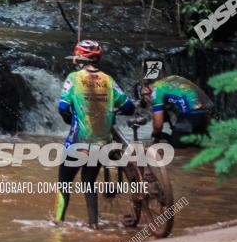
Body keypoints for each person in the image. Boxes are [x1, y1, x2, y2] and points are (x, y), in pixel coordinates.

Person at [56, 40, 134, 228]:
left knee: (64, 182)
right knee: (89, 182)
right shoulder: (108, 80)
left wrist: (69, 118)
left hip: (78, 141)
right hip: (102, 144)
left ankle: (57, 223)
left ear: (79, 57)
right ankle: (94, 224)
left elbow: (63, 107)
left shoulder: (73, 78)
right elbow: (128, 106)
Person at [136, 75, 213, 147]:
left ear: (145, 89)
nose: (148, 102)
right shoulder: (162, 84)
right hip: (205, 112)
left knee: (176, 143)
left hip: (191, 115)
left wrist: (156, 133)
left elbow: (158, 125)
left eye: (145, 99)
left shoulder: (156, 93)